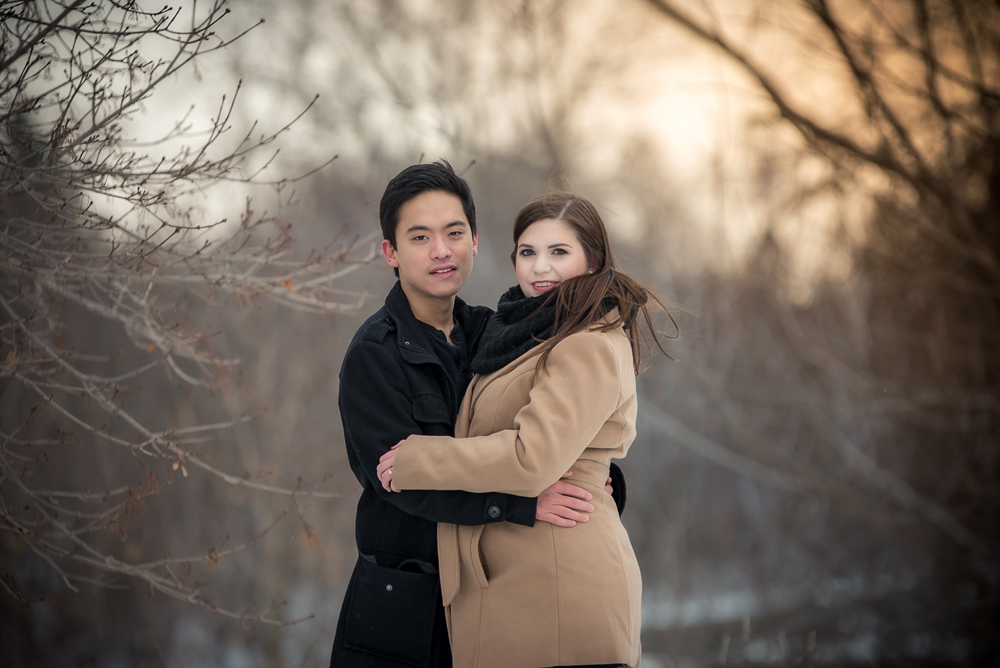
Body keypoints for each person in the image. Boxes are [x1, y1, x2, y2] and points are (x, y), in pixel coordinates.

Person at [329, 163, 627, 668]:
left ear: (474, 242)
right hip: (406, 607)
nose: (441, 250)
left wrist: (593, 475)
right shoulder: (373, 355)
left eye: (454, 233)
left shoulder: (496, 334)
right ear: (391, 253)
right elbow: (401, 482)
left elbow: (547, 425)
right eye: (420, 237)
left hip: (495, 591)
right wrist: (521, 504)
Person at [378, 192, 675, 668]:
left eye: (559, 252)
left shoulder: (586, 342)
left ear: (592, 261)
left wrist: (418, 459)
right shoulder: (522, 334)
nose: (540, 267)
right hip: (517, 583)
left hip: (557, 584)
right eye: (528, 252)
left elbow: (529, 458)